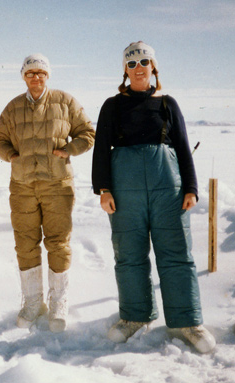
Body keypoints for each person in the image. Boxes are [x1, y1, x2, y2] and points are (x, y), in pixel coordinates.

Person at [91, 41, 216, 353]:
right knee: (129, 256)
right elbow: (100, 149)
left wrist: (191, 188)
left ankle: (187, 321)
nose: (138, 69)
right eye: (131, 64)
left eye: (143, 62)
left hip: (167, 191)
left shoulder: (167, 104)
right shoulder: (112, 105)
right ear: (124, 70)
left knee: (176, 254)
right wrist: (103, 190)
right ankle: (134, 317)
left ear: (153, 66)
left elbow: (183, 147)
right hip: (124, 193)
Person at [0, 54, 95, 332]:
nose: (35, 77)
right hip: (23, 185)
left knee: (58, 242)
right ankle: (32, 302)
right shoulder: (13, 107)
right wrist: (11, 156)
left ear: (47, 75)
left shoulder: (66, 102)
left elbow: (87, 132)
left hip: (57, 184)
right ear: (23, 76)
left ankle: (58, 302)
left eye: (40, 73)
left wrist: (69, 150)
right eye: (30, 73)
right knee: (25, 243)